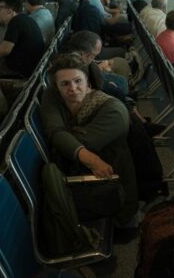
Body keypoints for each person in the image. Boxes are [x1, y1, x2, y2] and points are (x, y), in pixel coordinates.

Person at [40, 53, 138, 225]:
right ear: (57, 87)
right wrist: (90, 158)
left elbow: (68, 141)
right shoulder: (52, 96)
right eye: (65, 84)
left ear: (88, 82)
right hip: (79, 175)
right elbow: (56, 133)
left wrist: (63, 139)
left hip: (110, 186)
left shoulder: (114, 111)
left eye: (78, 81)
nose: (72, 88)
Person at [0, 0, 45, 79]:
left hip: (20, 72)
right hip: (31, 67)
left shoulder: (15, 22)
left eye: (0, 8)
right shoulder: (24, 19)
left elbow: (4, 50)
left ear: (10, 11)